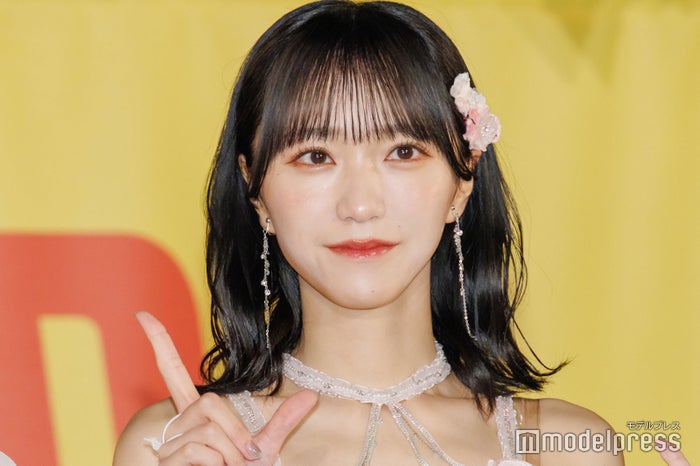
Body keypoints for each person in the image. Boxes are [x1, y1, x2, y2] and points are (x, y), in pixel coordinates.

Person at [113, 2, 689, 465]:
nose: (360, 205)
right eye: (315, 156)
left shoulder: (568, 447)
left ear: (461, 181)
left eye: (403, 152)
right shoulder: (177, 445)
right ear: (255, 188)